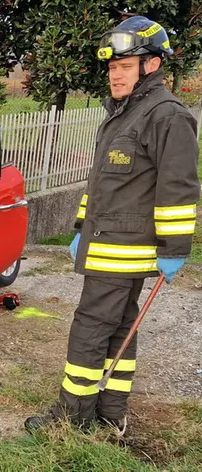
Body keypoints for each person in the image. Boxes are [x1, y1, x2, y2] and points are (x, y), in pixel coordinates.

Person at [25, 16, 200, 436]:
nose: (114, 76)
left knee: (90, 327)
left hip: (125, 248)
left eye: (124, 66)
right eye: (111, 68)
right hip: (105, 240)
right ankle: (110, 411)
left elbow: (178, 188)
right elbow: (102, 182)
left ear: (152, 65)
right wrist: (82, 224)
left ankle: (71, 417)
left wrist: (175, 249)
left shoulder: (166, 116)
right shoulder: (124, 114)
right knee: (120, 325)